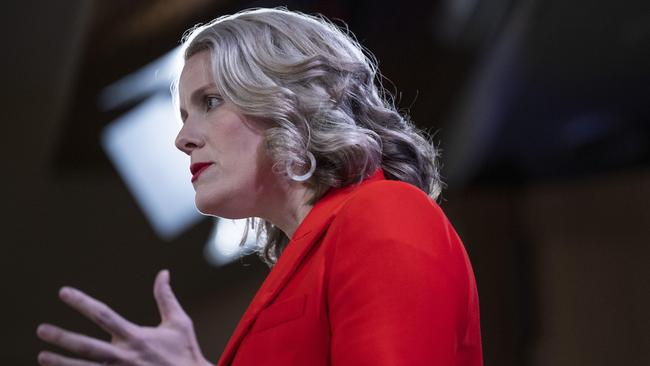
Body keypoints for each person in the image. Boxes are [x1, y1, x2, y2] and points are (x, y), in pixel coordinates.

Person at [36, 7, 483, 366]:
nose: (182, 138)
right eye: (183, 116)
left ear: (290, 100)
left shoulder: (384, 210)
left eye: (209, 102)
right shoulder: (319, 247)